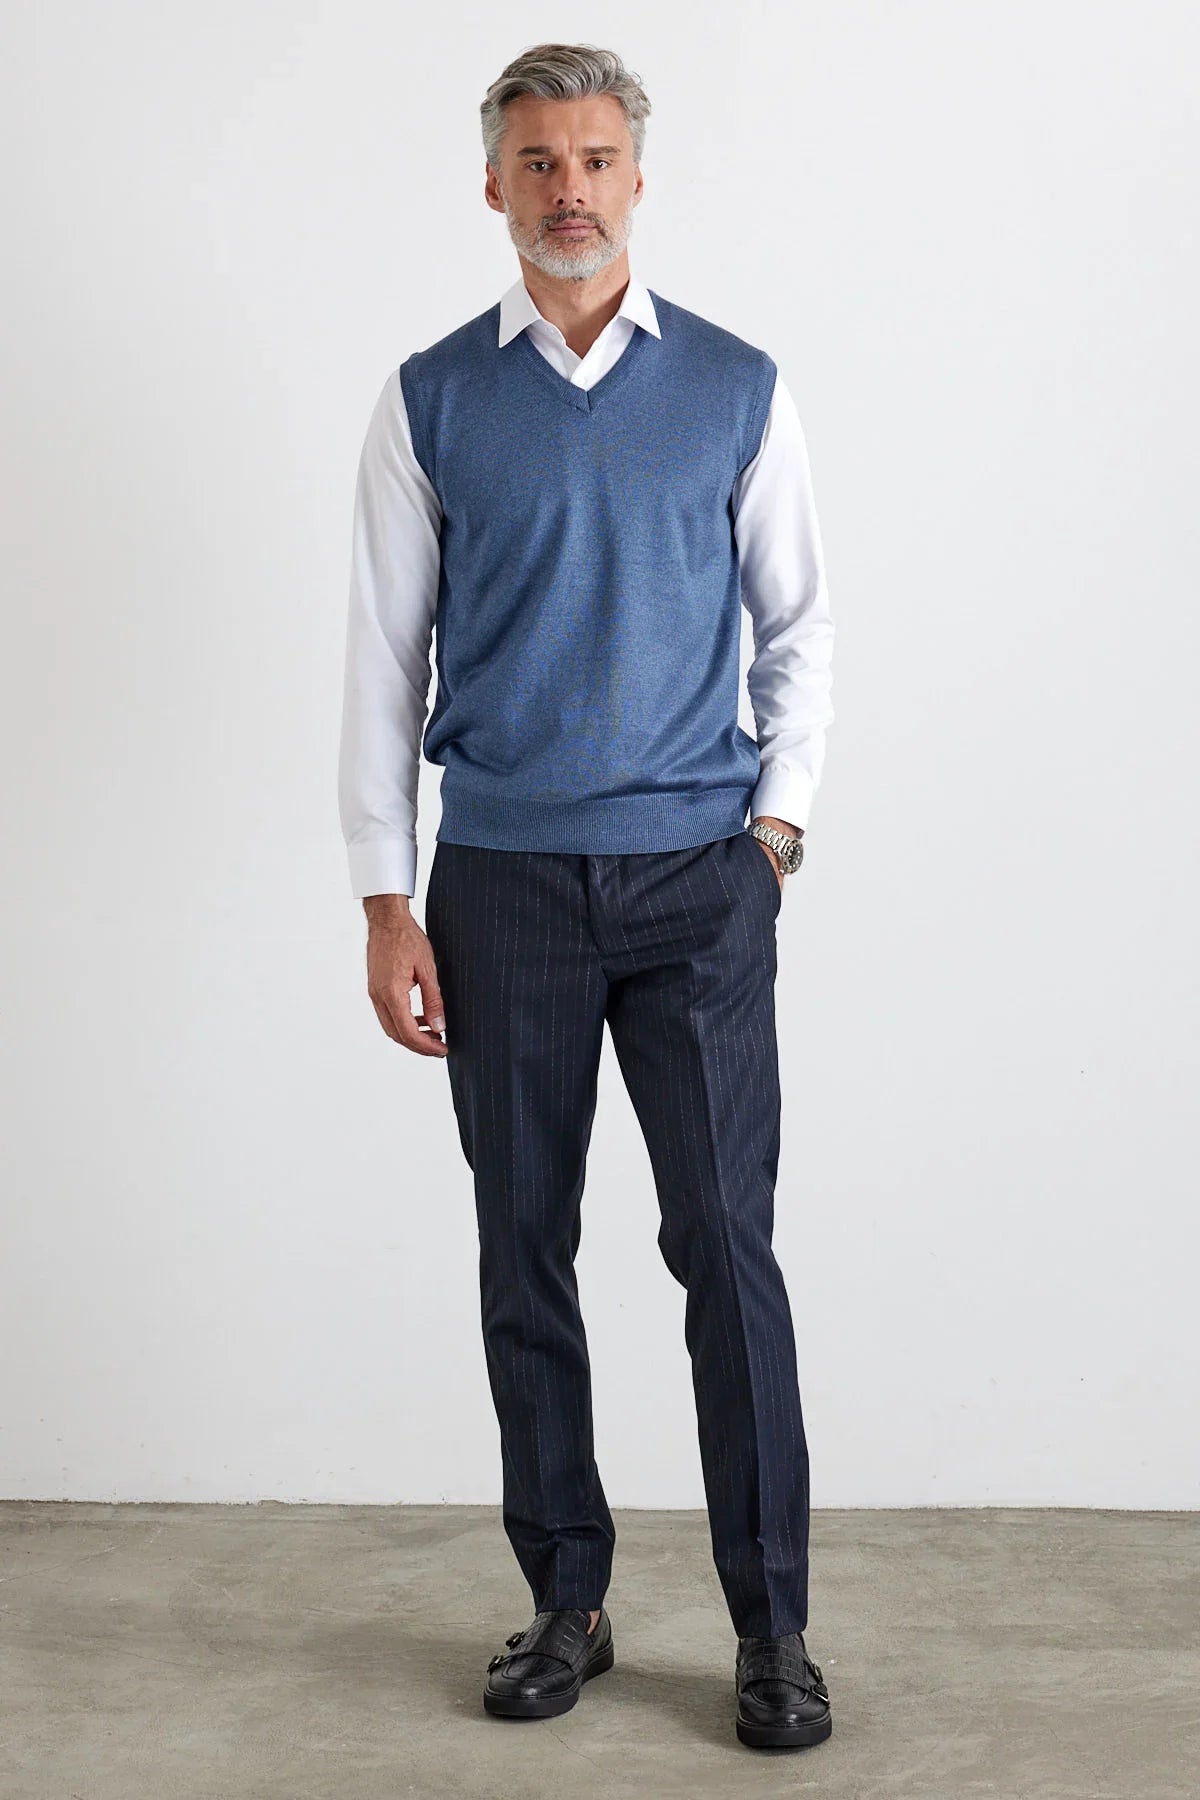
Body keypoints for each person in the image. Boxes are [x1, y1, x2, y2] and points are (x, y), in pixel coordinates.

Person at [337, 41, 835, 1753]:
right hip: (500, 890)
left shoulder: (737, 387)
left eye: (598, 160)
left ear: (638, 177)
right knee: (523, 1245)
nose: (571, 191)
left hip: (700, 884)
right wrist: (385, 897)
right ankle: (569, 1596)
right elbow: (383, 662)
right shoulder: (430, 400)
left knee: (726, 1249)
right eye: (540, 162)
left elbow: (801, 627)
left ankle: (773, 1628)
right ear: (494, 183)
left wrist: (773, 839)